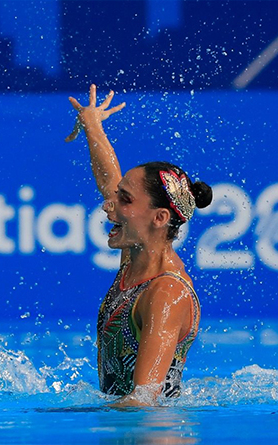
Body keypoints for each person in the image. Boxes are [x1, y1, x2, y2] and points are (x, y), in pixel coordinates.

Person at [66, 85, 213, 405]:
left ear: (159, 218)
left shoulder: (165, 293)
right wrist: (92, 123)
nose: (109, 205)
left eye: (125, 199)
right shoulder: (135, 257)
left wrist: (51, 418)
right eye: (118, 194)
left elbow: (143, 400)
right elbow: (108, 179)